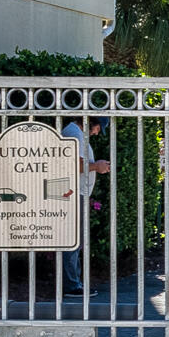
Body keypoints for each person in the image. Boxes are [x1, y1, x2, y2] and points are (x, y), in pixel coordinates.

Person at [59, 115, 110, 294]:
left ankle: (74, 283)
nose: (96, 133)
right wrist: (97, 166)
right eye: (98, 128)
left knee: (74, 239)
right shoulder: (75, 134)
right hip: (73, 193)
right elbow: (75, 164)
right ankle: (72, 285)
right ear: (91, 122)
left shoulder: (75, 133)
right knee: (72, 240)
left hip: (75, 192)